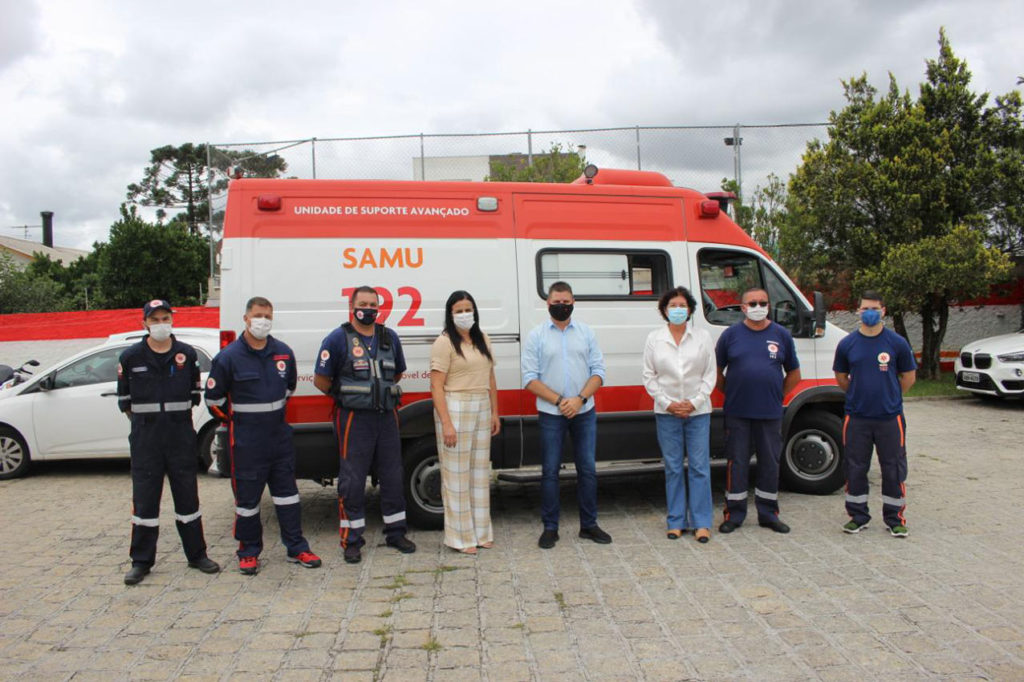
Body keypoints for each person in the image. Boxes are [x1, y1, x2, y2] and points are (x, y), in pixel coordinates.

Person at [205, 296, 321, 575]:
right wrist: (237, 423)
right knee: (247, 502)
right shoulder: (229, 357)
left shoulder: (282, 353)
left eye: (268, 316)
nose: (263, 321)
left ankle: (297, 548)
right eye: (258, 315)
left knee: (288, 497)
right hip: (246, 442)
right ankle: (248, 551)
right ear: (246, 318)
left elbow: (289, 389)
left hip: (279, 439)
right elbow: (213, 401)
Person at [117, 299, 220, 585]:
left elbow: (193, 398)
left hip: (180, 437)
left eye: (165, 318)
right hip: (146, 439)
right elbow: (125, 403)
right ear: (145, 324)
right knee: (145, 501)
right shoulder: (130, 357)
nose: (161, 324)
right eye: (155, 319)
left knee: (188, 498)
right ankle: (141, 561)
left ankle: (197, 555)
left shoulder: (186, 354)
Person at [314, 286, 416, 564]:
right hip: (353, 420)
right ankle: (352, 540)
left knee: (393, 475)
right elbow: (321, 380)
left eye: (373, 304)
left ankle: (396, 533)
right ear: (352, 305)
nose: (369, 308)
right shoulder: (337, 339)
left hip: (386, 416)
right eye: (363, 303)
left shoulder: (389, 337)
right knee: (353, 480)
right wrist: (352, 396)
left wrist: (376, 394)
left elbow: (396, 373)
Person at [522, 281, 610, 549]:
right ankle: (550, 527)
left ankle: (589, 525)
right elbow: (529, 378)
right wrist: (561, 401)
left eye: (566, 302)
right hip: (551, 412)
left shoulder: (586, 333)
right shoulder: (536, 335)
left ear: (573, 303)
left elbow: (599, 372)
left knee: (587, 469)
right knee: (549, 472)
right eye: (556, 302)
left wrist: (580, 399)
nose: (562, 306)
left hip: (584, 411)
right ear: (547, 304)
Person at [715, 287, 801, 535]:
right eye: (752, 303)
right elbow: (717, 373)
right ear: (742, 308)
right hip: (738, 412)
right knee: (737, 463)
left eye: (762, 302)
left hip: (770, 413)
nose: (758, 307)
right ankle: (734, 514)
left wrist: (777, 395)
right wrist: (732, 393)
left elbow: (794, 373)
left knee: (770, 463)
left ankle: (768, 514)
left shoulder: (781, 335)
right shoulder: (730, 335)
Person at [833, 291, 916, 537]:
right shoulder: (848, 344)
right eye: (865, 308)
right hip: (857, 417)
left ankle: (895, 519)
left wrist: (889, 396)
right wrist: (860, 395)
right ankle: (858, 517)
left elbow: (908, 377)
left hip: (890, 418)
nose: (869, 312)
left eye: (874, 308)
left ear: (883, 311)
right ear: (858, 311)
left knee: (893, 468)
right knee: (855, 467)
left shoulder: (896, 343)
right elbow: (841, 377)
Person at [642, 287, 716, 543]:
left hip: (698, 413)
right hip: (666, 412)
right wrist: (668, 403)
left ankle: (702, 523)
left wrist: (694, 403)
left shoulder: (703, 337)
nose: (678, 310)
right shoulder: (655, 338)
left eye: (682, 305)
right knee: (673, 468)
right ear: (664, 310)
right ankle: (676, 521)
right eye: (673, 305)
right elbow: (649, 377)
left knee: (699, 468)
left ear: (690, 309)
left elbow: (710, 375)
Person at [429, 291, 500, 555]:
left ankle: (481, 532)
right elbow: (436, 386)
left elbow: (490, 377)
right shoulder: (444, 342)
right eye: (458, 310)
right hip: (455, 406)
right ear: (450, 314)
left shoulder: (483, 338)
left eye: (468, 309)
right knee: (456, 475)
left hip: (482, 404)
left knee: (480, 473)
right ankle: (460, 537)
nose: (464, 314)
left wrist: (495, 412)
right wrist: (447, 423)